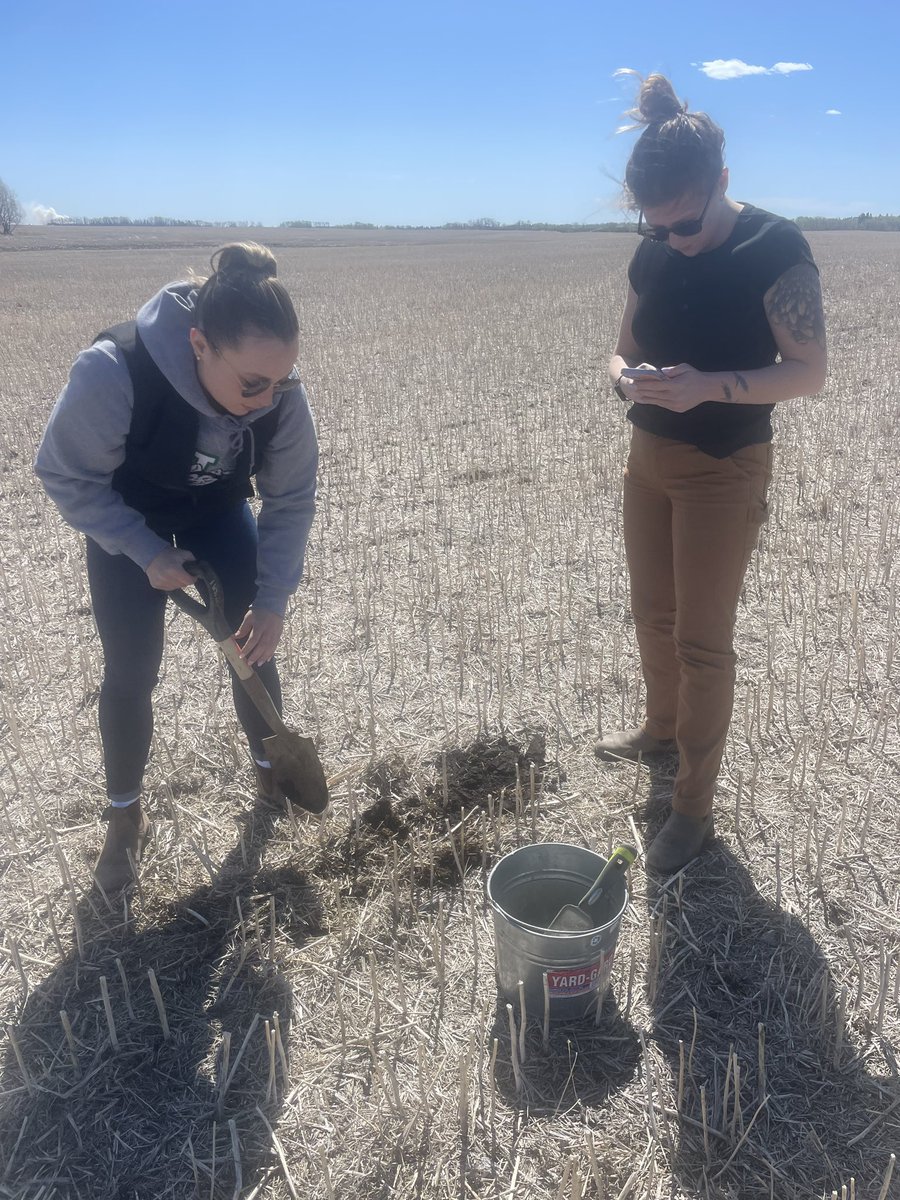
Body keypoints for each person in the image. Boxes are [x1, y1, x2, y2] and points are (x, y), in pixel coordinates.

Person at [595, 75, 826, 873]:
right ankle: (660, 730)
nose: (674, 239)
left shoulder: (775, 248)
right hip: (647, 461)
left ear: (722, 181)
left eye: (686, 223)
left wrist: (709, 387)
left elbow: (808, 371)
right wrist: (627, 381)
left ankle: (692, 809)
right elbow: (618, 350)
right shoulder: (654, 250)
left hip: (724, 470)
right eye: (655, 226)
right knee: (651, 616)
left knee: (702, 642)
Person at [35, 242, 319, 891]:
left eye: (280, 381)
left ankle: (270, 771)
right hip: (126, 516)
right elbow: (65, 474)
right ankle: (124, 817)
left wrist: (273, 598)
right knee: (131, 669)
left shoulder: (278, 394)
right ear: (199, 345)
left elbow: (292, 496)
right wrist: (144, 550)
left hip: (215, 511)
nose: (267, 398)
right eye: (253, 384)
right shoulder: (116, 370)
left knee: (252, 647)